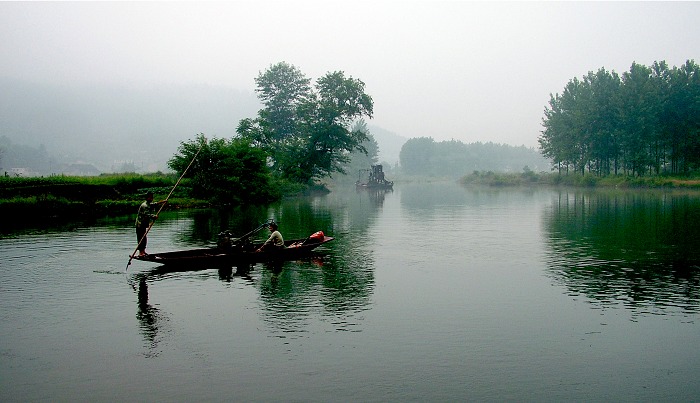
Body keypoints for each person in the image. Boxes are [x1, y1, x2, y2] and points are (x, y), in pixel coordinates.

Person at [134, 191, 166, 257]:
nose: (151, 199)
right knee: (141, 238)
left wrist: (162, 202)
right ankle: (141, 253)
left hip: (143, 224)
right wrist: (154, 216)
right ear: (147, 198)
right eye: (150, 198)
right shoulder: (144, 205)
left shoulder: (148, 204)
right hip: (140, 224)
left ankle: (143, 251)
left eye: (152, 198)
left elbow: (153, 204)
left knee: (144, 238)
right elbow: (147, 214)